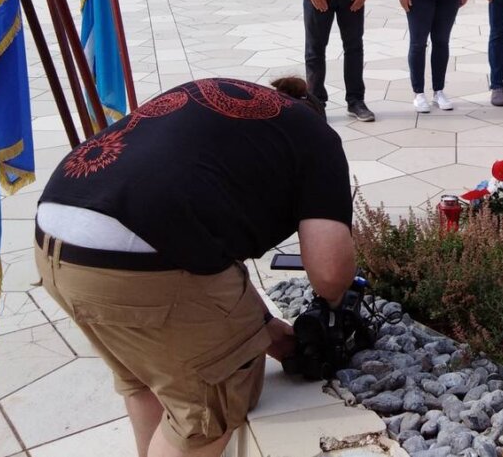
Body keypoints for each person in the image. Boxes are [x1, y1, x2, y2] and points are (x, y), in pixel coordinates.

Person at [34, 76, 354, 457]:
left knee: (146, 380)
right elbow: (330, 272)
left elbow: (212, 274)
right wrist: (334, 307)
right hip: (137, 253)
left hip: (56, 230)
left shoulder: (222, 99)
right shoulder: (318, 138)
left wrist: (274, 337)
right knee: (209, 409)